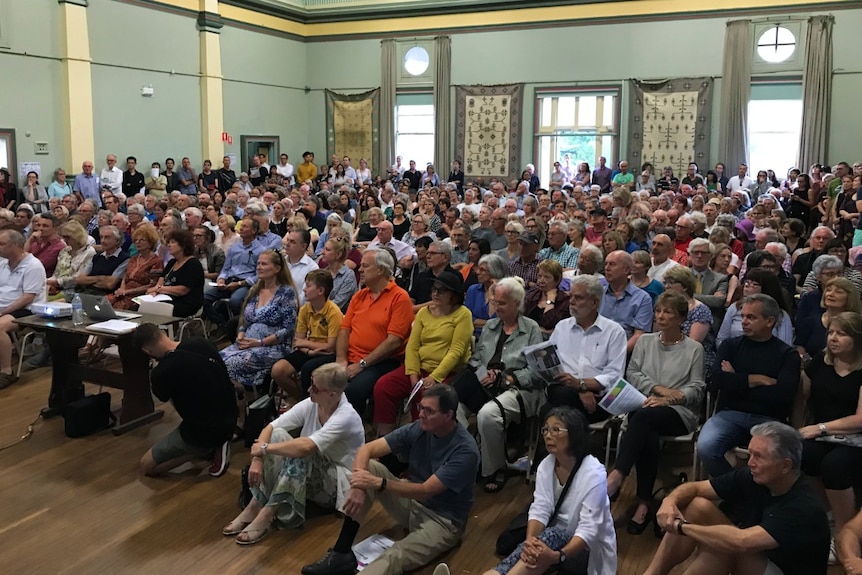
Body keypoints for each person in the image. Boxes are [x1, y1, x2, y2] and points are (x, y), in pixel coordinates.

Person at [300, 385, 479, 575]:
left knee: (395, 555)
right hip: (414, 504)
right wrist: (359, 486)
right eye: (421, 408)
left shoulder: (465, 450)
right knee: (369, 468)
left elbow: (427, 490)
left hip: (442, 521)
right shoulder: (419, 428)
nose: (421, 414)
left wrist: (379, 483)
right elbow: (366, 450)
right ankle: (341, 552)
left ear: (448, 415)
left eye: (429, 411)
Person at [644, 421, 830, 575]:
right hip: (759, 559)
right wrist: (670, 501)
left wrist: (681, 527)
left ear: (785, 466)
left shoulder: (804, 506)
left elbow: (743, 542)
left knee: (727, 546)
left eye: (759, 457)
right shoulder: (753, 476)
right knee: (697, 506)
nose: (750, 462)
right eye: (750, 454)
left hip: (781, 570)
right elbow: (695, 488)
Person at [223, 362, 364, 545]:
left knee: (301, 451)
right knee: (279, 435)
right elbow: (271, 427)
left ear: (332, 394)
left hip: (338, 484)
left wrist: (264, 449)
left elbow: (306, 447)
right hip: (312, 470)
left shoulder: (345, 416)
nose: (308, 389)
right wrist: (257, 459)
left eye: (315, 387)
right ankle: (255, 505)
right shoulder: (314, 403)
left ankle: (266, 514)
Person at [606, 292, 705, 534]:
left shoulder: (694, 349)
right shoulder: (645, 341)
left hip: (678, 412)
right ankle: (643, 502)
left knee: (642, 419)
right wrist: (659, 391)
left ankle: (618, 474)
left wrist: (671, 398)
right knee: (646, 428)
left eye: (668, 312)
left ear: (681, 318)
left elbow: (697, 387)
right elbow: (633, 374)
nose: (660, 316)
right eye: (658, 311)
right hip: (646, 405)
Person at [479, 407, 616, 575]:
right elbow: (540, 508)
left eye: (556, 430)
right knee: (537, 545)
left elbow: (588, 530)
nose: (548, 435)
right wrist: (529, 542)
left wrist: (557, 556)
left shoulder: (594, 473)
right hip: (547, 542)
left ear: (574, 434)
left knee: (553, 535)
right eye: (546, 429)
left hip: (583, 550)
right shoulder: (547, 464)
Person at [455, 277, 544, 493]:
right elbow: (476, 359)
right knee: (450, 406)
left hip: (518, 389)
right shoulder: (491, 327)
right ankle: (468, 456)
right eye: (494, 302)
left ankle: (495, 468)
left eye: (502, 303)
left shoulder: (531, 329)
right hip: (486, 384)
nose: (496, 308)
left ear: (517, 302)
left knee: (487, 415)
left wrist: (510, 378)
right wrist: (483, 373)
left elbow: (538, 373)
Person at [697, 294, 801, 478]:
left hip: (769, 417)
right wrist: (758, 379)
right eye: (742, 316)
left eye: (751, 317)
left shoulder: (787, 354)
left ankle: (758, 493)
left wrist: (736, 379)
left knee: (774, 458)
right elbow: (715, 380)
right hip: (730, 414)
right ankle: (737, 489)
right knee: (706, 447)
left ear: (770, 321)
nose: (744, 322)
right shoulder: (730, 346)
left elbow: (782, 396)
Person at [303, 249, 414, 414]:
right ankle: (316, 416)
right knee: (309, 369)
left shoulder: (399, 297)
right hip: (350, 356)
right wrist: (341, 359)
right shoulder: (360, 295)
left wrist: (362, 364)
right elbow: (344, 330)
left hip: (381, 361)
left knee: (353, 391)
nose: (360, 270)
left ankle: (348, 429)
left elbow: (393, 341)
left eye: (365, 266)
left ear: (381, 270)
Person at [373, 270, 473, 436]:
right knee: (383, 387)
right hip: (418, 368)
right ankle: (386, 439)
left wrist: (434, 377)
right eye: (434, 289)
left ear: (454, 295)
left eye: (442, 290)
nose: (435, 293)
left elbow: (456, 351)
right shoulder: (424, 312)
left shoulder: (463, 314)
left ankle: (421, 440)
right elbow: (412, 346)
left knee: (426, 396)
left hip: (447, 372)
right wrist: (413, 375)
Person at [135, 323, 237, 478]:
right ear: (163, 332)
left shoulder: (161, 373)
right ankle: (214, 443)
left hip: (202, 430)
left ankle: (208, 448)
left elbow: (164, 397)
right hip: (231, 413)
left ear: (147, 351)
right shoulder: (201, 343)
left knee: (146, 466)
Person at [799, 312, 862, 554]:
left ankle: (845, 532)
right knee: (802, 455)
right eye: (831, 332)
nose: (833, 338)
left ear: (857, 339)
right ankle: (826, 515)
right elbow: (802, 398)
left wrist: (821, 427)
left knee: (835, 466)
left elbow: (860, 419)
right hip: (825, 435)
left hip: (856, 439)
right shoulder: (821, 362)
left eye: (842, 334)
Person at [539, 275, 627, 431]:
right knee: (558, 401)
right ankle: (574, 452)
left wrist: (581, 384)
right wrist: (579, 389)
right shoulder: (562, 327)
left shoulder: (614, 331)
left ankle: (557, 453)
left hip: (597, 398)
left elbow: (614, 376)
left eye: (578, 298)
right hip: (564, 391)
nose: (571, 302)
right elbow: (551, 364)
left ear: (595, 302)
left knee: (550, 411)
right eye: (571, 296)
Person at [220, 249, 299, 390]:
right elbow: (244, 321)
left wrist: (260, 342)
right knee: (216, 361)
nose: (259, 267)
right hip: (247, 344)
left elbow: (288, 329)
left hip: (274, 346)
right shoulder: (255, 290)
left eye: (264, 264)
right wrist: (240, 336)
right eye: (258, 263)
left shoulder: (286, 292)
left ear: (277, 268)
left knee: (232, 363)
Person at [270, 270, 343, 400]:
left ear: (320, 291)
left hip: (328, 354)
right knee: (278, 370)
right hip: (310, 351)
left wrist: (306, 344)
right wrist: (309, 351)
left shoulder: (333, 312)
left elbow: (331, 347)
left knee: (307, 369)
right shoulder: (305, 309)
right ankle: (301, 400)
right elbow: (298, 341)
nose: (304, 289)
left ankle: (311, 403)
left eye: (308, 286)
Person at [0, 230, 47, 388]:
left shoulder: (33, 265)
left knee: (0, 327)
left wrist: (3, 312)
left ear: (15, 245)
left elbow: (28, 297)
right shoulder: (3, 263)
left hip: (27, 309)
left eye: (2, 244)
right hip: (4, 306)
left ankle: (6, 372)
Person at [716, 268, 793, 349]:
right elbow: (721, 339)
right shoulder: (735, 308)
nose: (747, 285)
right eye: (747, 282)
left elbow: (785, 346)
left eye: (754, 284)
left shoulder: (781, 315)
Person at [661, 265, 716, 373]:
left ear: (685, 286)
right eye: (665, 282)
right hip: (667, 355)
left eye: (671, 282)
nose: (667, 286)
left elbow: (692, 345)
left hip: (692, 361)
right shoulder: (664, 307)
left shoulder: (700, 310)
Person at [795, 277, 862, 360]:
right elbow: (800, 349)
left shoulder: (857, 325)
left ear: (849, 297)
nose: (831, 294)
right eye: (828, 290)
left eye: (838, 292)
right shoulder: (810, 321)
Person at [600, 250, 653, 353]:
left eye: (612, 264)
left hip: (625, 352)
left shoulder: (642, 298)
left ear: (627, 270)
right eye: (606, 264)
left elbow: (639, 335)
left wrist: (618, 354)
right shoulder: (598, 293)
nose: (607, 268)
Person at [146, 229, 205, 318]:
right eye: (168, 242)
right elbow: (159, 283)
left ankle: (163, 331)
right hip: (166, 298)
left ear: (183, 245)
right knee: (144, 306)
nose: (169, 245)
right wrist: (153, 292)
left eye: (173, 242)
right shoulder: (171, 263)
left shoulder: (193, 264)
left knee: (158, 310)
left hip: (185, 302)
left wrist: (159, 289)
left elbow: (182, 290)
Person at [107, 223, 163, 310]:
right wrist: (122, 289)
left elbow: (151, 285)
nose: (137, 242)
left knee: (120, 307)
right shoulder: (133, 259)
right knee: (104, 302)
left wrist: (127, 291)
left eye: (142, 240)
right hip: (124, 292)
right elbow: (125, 277)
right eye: (136, 240)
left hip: (139, 295)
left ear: (150, 242)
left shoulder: (156, 261)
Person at [46, 221, 96, 298]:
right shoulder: (64, 251)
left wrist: (57, 282)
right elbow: (56, 273)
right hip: (56, 287)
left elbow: (78, 277)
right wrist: (48, 281)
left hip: (75, 290)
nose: (65, 240)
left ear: (77, 236)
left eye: (67, 237)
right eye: (63, 237)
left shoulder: (89, 252)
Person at [523, 259, 571, 336]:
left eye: (547, 277)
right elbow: (521, 319)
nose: (541, 281)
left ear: (557, 280)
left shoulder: (564, 300)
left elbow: (548, 323)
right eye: (539, 276)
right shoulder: (532, 295)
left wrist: (550, 300)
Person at [318, 234, 357, 312]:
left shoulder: (348, 276)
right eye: (323, 249)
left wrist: (317, 308)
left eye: (327, 250)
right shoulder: (323, 273)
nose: (322, 252)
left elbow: (338, 303)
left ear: (338, 254)